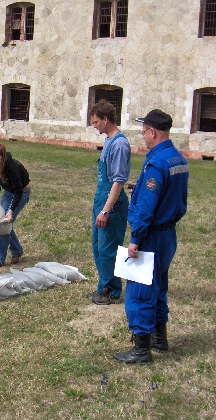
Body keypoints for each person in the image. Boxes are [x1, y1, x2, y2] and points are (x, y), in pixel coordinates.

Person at [113, 110, 189, 364]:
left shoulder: (156, 163)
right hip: (168, 235)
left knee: (140, 291)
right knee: (158, 286)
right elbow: (170, 194)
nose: (143, 136)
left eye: (144, 132)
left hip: (151, 236)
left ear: (153, 132)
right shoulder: (177, 158)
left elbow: (147, 208)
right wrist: (140, 189)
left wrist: (136, 239)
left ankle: (141, 349)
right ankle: (159, 338)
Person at [88, 100, 131, 305]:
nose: (94, 126)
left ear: (106, 119)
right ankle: (103, 286)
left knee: (108, 248)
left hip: (111, 205)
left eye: (96, 122)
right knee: (98, 246)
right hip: (101, 198)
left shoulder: (120, 144)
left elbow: (118, 181)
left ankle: (112, 291)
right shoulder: (109, 141)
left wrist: (105, 211)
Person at [0, 143, 31, 268]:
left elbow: (18, 191)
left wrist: (11, 210)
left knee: (5, 223)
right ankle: (17, 250)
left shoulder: (11, 167)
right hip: (8, 192)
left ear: (3, 159)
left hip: (22, 192)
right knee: (4, 221)